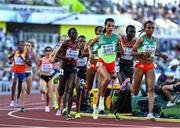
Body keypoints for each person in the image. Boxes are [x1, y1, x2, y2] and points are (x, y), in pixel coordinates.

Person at [127, 20, 168, 120]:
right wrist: (142, 54)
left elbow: (153, 53)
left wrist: (162, 55)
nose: (150, 29)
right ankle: (127, 83)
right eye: (149, 28)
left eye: (152, 28)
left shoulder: (155, 40)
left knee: (151, 89)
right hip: (140, 65)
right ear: (145, 29)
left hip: (150, 65)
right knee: (135, 92)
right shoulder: (141, 39)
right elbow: (132, 52)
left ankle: (150, 113)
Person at [88, 18, 124, 119]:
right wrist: (90, 53)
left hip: (111, 64)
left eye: (112, 26)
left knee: (104, 86)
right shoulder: (100, 37)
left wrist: (120, 45)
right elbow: (89, 46)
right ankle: (101, 102)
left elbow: (123, 53)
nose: (110, 28)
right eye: (109, 25)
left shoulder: (117, 38)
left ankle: (97, 106)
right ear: (105, 26)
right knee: (106, 79)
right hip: (101, 62)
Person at [55, 28, 80, 120]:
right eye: (73, 33)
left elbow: (80, 54)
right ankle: (60, 105)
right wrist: (66, 58)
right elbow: (57, 55)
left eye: (76, 33)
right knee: (61, 90)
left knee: (70, 90)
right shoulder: (66, 43)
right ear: (69, 35)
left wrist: (88, 54)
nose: (75, 35)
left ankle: (69, 113)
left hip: (73, 69)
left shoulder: (78, 44)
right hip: (64, 68)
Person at [113, 25, 136, 120]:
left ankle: (117, 93)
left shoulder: (135, 41)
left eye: (134, 32)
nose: (132, 33)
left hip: (130, 67)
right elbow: (116, 52)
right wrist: (119, 51)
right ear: (126, 32)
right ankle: (116, 111)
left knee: (126, 91)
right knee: (125, 88)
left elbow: (137, 52)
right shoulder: (121, 39)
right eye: (130, 31)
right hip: (121, 66)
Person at [9, 41, 31, 112]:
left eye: (22, 45)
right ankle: (12, 101)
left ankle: (18, 98)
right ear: (18, 46)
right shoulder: (16, 52)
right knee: (14, 83)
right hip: (15, 71)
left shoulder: (26, 53)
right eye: (20, 45)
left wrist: (23, 59)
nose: (21, 47)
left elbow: (30, 64)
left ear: (24, 46)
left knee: (20, 86)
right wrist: (11, 60)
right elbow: (9, 58)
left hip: (22, 72)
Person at [37, 46, 54, 112]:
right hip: (43, 76)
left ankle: (47, 106)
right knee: (42, 89)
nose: (48, 52)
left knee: (49, 94)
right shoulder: (41, 59)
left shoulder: (53, 59)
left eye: (50, 50)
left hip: (50, 77)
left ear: (51, 52)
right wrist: (38, 71)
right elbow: (38, 66)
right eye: (47, 50)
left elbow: (58, 65)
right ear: (45, 52)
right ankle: (44, 92)